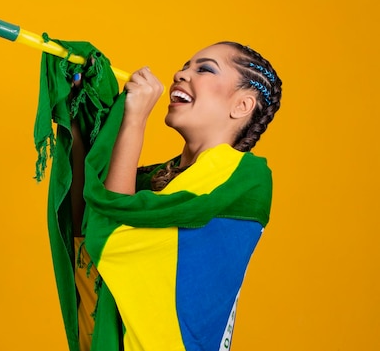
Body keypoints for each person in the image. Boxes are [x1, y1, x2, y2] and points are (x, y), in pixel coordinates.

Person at [60, 41, 282, 351]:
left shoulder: (246, 177)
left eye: (204, 69)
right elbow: (87, 230)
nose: (180, 74)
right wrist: (80, 108)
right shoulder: (158, 182)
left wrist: (134, 119)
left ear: (242, 105)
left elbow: (111, 234)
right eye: (184, 66)